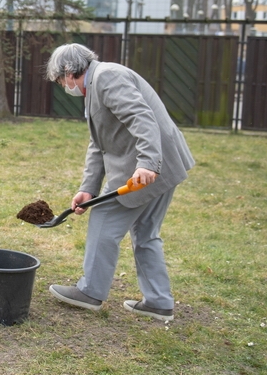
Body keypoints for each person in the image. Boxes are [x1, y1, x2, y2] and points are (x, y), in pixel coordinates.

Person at [45, 43, 194, 322]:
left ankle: (90, 292)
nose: (62, 85)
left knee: (104, 215)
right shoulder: (96, 86)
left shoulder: (107, 78)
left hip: (151, 166)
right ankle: (158, 302)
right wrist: (88, 187)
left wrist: (148, 163)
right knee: (146, 231)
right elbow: (98, 144)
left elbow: (142, 118)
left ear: (69, 71)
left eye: (60, 79)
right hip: (167, 163)